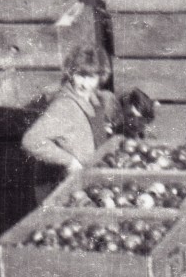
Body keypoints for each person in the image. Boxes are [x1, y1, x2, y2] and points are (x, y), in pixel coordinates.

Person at [22, 45, 119, 183]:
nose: (84, 84)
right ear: (71, 73)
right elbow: (31, 140)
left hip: (92, 177)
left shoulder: (93, 99)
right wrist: (69, 161)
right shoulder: (64, 105)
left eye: (91, 77)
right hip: (68, 183)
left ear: (100, 77)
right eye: (80, 75)